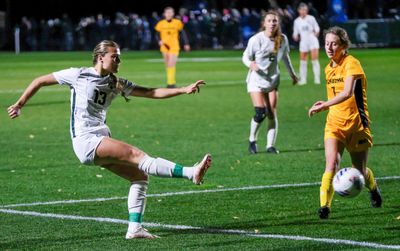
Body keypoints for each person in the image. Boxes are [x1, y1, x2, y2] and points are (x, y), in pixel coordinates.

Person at [7, 40, 212, 239]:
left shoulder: (116, 83)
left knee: (139, 177)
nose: (118, 62)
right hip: (86, 141)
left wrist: (183, 89)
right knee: (136, 155)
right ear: (100, 57)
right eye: (115, 57)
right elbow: (40, 80)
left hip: (100, 139)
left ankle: (135, 229)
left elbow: (151, 92)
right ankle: (190, 173)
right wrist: (19, 104)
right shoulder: (78, 74)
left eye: (119, 58)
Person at [308, 26, 382, 219]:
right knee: (331, 164)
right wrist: (325, 104)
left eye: (334, 43)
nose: (329, 47)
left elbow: (348, 92)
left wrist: (324, 105)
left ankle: (373, 188)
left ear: (343, 45)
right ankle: (324, 207)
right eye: (326, 43)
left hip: (357, 124)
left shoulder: (352, 63)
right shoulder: (328, 68)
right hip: (334, 123)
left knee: (359, 171)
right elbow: (335, 95)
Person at [242, 10, 298, 154]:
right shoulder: (256, 39)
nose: (272, 23)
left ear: (278, 23)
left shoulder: (282, 39)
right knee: (260, 112)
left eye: (275, 20)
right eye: (269, 20)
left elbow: (285, 57)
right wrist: (251, 65)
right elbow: (245, 57)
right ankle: (252, 140)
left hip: (272, 81)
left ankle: (270, 146)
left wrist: (293, 75)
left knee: (271, 113)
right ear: (264, 23)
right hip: (256, 81)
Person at [155, 7, 190, 88]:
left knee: (171, 63)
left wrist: (186, 43)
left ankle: (171, 83)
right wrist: (159, 41)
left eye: (171, 12)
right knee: (167, 64)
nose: (169, 14)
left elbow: (182, 33)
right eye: (167, 12)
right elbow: (156, 34)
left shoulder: (177, 22)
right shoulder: (161, 23)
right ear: (164, 14)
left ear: (173, 14)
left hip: (174, 46)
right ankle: (170, 82)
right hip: (164, 46)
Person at [292, 2, 321, 85]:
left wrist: (316, 33)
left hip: (312, 40)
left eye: (305, 10)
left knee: (314, 60)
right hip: (303, 41)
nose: (303, 11)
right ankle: (303, 80)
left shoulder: (311, 18)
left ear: (307, 10)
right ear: (299, 10)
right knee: (303, 61)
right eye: (302, 10)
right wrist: (295, 36)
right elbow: (295, 32)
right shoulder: (296, 21)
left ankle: (317, 79)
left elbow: (317, 28)